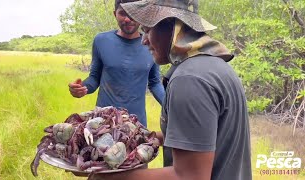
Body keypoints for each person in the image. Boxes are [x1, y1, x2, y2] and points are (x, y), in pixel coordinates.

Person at [88, 0, 252, 180]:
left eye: (148, 30)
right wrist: (141, 140)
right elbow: (198, 138)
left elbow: (189, 176)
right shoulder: (213, 66)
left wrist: (106, 176)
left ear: (174, 28)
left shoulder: (189, 80)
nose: (143, 40)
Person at [68, 0, 165, 127]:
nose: (127, 19)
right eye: (122, 13)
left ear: (141, 15)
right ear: (115, 14)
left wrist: (170, 106)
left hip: (136, 123)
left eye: (133, 14)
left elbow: (155, 83)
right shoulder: (101, 41)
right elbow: (94, 78)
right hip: (103, 122)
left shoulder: (151, 44)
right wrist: (82, 88)